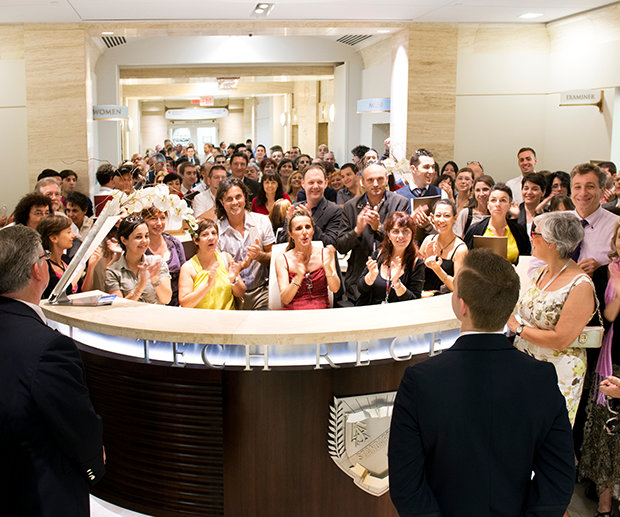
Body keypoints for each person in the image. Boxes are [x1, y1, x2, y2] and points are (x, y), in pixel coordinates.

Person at [388, 248, 575, 517]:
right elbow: (558, 479)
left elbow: (406, 484)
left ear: (462, 305)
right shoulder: (541, 378)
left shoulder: (420, 381)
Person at [0, 225, 105, 516]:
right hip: (36, 490)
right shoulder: (49, 347)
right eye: (45, 257)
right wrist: (94, 467)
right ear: (38, 270)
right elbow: (77, 425)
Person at [507, 212, 595, 428]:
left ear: (552, 243)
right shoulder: (542, 272)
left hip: (556, 372)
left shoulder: (580, 285)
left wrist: (518, 328)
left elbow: (561, 339)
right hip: (526, 364)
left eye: (535, 234)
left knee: (546, 432)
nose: (531, 238)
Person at [579, 219, 620, 517]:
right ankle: (604, 506)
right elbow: (608, 315)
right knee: (607, 427)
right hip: (612, 353)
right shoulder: (608, 271)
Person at [336, 162, 409, 304]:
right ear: (362, 182)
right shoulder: (351, 206)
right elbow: (341, 246)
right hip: (358, 281)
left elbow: (403, 241)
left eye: (380, 179)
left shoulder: (400, 203)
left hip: (390, 279)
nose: (375, 184)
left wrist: (379, 227)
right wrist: (357, 230)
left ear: (386, 179)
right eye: (370, 180)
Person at [215, 177, 275, 310]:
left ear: (245, 197)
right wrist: (238, 268)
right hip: (230, 294)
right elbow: (218, 272)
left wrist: (259, 256)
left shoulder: (262, 221)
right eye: (229, 199)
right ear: (222, 202)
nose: (235, 202)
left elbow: (274, 258)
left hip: (261, 292)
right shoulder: (216, 231)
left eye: (238, 197)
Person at [275, 207, 340, 310]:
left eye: (308, 227)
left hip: (321, 313)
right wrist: (298, 277)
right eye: (299, 228)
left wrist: (328, 268)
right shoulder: (282, 260)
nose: (304, 232)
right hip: (294, 314)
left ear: (313, 231)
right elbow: (285, 299)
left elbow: (335, 288)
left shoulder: (325, 253)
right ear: (291, 234)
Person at [357, 211, 425, 304]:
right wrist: (371, 277)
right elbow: (361, 289)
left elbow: (415, 301)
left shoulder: (417, 262)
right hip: (372, 310)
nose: (401, 236)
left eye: (406, 231)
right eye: (395, 231)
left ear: (412, 234)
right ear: (389, 234)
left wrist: (397, 283)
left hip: (400, 312)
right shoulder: (378, 254)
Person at [178, 219, 245, 309]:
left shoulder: (226, 258)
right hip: (201, 317)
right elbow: (185, 304)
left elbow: (241, 293)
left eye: (213, 233)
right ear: (196, 240)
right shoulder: (188, 268)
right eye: (205, 234)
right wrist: (208, 285)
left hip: (228, 316)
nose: (211, 238)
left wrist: (233, 280)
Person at [105, 215, 172, 305]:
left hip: (157, 313)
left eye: (146, 236)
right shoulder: (112, 271)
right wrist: (140, 286)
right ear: (124, 240)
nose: (144, 241)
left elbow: (166, 299)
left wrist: (155, 280)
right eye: (138, 237)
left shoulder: (157, 262)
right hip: (129, 314)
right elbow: (119, 306)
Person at [464, 183, 531, 264]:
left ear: (509, 205)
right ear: (488, 205)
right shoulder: (475, 229)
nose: (498, 204)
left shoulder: (519, 231)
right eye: (493, 200)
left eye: (503, 200)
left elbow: (525, 260)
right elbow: (466, 261)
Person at [142, 207, 186, 306]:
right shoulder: (141, 246)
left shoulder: (174, 243)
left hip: (176, 303)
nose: (159, 223)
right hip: (151, 304)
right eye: (153, 218)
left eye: (162, 218)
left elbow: (184, 274)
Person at [420, 200, 468, 293]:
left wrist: (437, 269)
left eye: (447, 216)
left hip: (446, 298)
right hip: (424, 296)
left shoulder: (460, 249)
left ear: (455, 218)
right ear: (432, 217)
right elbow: (415, 273)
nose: (441, 220)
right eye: (438, 215)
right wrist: (423, 263)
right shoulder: (428, 240)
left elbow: (457, 287)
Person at [36, 214, 87, 299]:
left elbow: (81, 290)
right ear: (54, 238)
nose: (74, 235)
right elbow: (58, 293)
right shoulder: (44, 266)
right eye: (68, 232)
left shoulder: (65, 259)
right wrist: (79, 269)